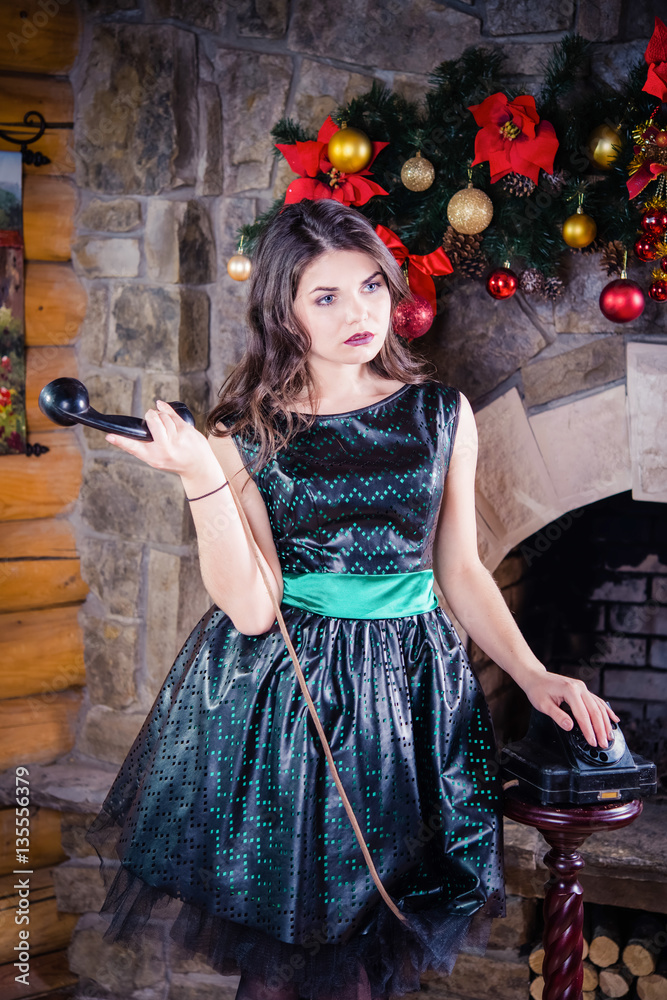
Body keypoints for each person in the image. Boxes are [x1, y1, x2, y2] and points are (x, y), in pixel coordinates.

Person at [84, 198, 618, 1000]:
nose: (359, 312)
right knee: (287, 956)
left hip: (411, 696)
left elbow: (461, 569)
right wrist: (203, 475)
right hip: (288, 704)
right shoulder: (245, 430)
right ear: (284, 312)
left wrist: (534, 674)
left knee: (371, 951)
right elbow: (254, 609)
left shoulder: (440, 415)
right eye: (325, 297)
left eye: (369, 287)